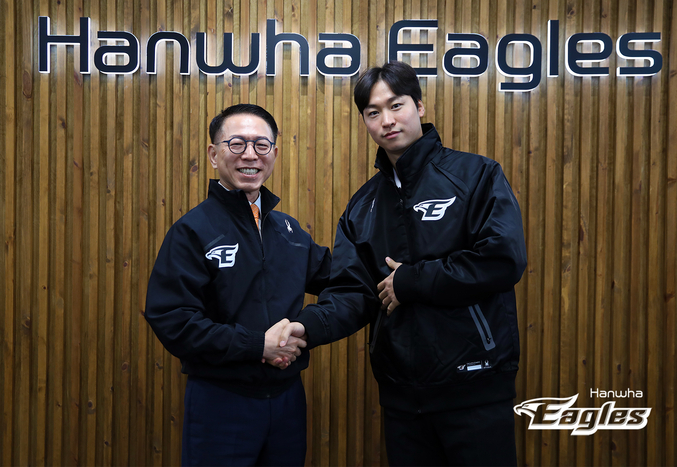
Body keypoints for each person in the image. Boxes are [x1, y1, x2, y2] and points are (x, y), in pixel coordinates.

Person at [280, 61, 527, 466]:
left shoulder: (477, 175)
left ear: (419, 106)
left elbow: (502, 259)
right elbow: (352, 292)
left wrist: (411, 280)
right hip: (402, 398)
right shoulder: (362, 206)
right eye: (373, 112)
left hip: (477, 387)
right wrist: (306, 327)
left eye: (396, 105)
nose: (387, 120)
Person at [144, 103, 331, 466]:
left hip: (288, 401)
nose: (250, 155)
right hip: (220, 402)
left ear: (274, 154)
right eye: (237, 144)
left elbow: (342, 281)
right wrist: (257, 345)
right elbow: (173, 320)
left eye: (261, 145)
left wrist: (308, 326)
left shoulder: (290, 232)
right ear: (214, 155)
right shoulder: (192, 231)